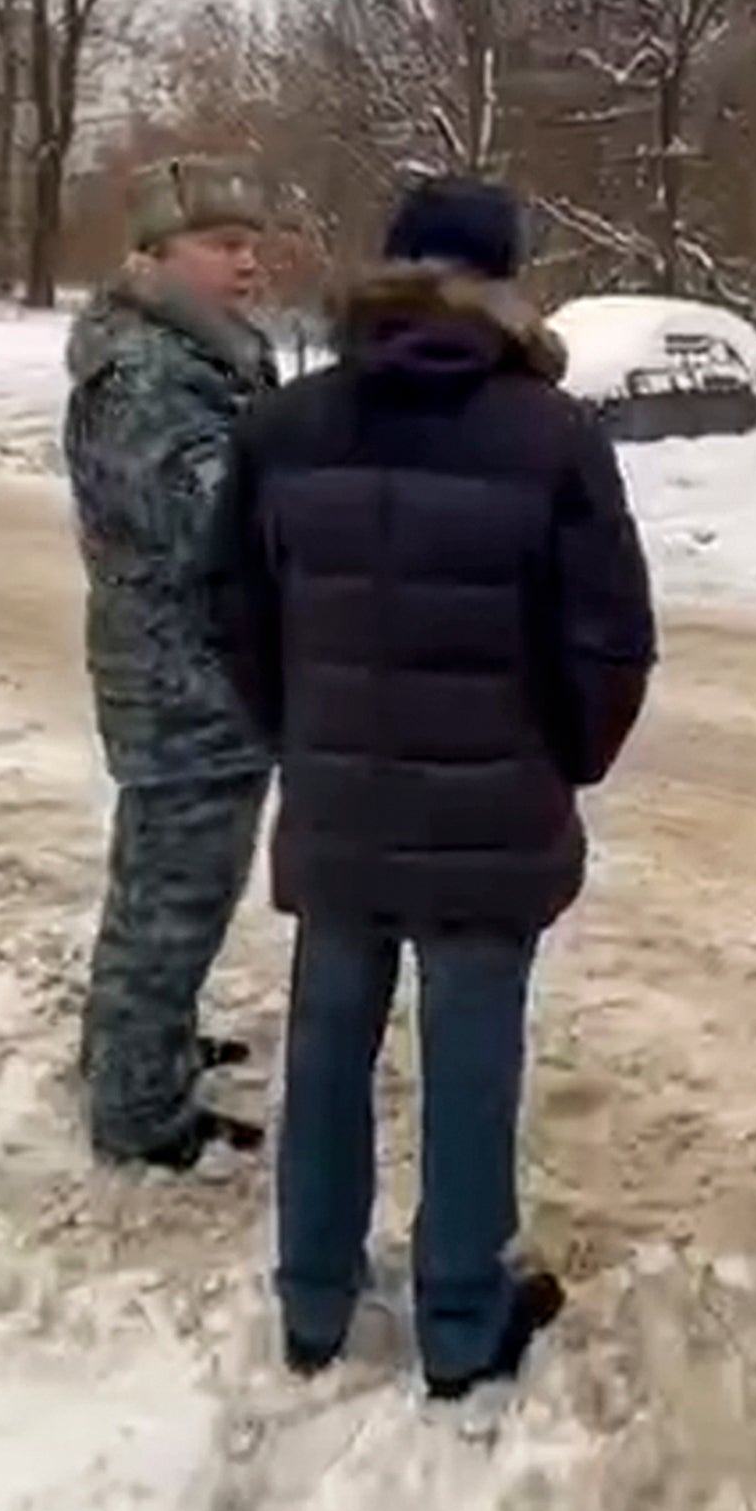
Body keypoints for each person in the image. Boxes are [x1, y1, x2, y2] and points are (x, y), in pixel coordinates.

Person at [208, 176, 657, 1401]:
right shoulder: (551, 434)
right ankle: (460, 1321)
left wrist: (302, 732)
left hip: (341, 799)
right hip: (490, 812)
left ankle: (311, 1298)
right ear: (502, 281)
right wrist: (561, 758)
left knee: (328, 1041)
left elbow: (231, 613)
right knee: (470, 1058)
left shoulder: (284, 426)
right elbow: (611, 638)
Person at [67, 156, 278, 1170]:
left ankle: (132, 1049)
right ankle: (138, 1110)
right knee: (175, 895)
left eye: (252, 243)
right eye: (223, 244)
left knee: (160, 883)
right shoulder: (148, 376)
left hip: (198, 674)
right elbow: (219, 519)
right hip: (183, 683)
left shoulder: (199, 355)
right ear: (154, 257)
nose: (247, 262)